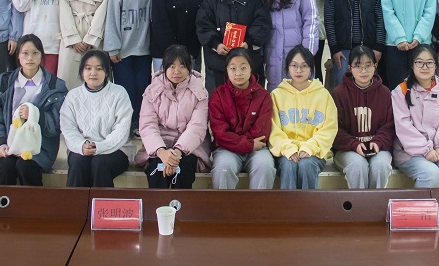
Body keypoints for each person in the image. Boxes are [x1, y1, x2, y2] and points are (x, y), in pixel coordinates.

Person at [0, 34, 68, 186]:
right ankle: (5, 202)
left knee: (25, 166)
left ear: (41, 55)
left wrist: (36, 116)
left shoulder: (55, 86)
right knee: (5, 166)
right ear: (18, 56)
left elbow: (58, 124)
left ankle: (33, 202)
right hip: (9, 144)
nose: (30, 58)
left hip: (39, 147)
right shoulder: (4, 82)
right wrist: (0, 144)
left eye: (35, 53)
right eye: (25, 53)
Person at [135, 45, 211, 189]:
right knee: (158, 170)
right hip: (159, 147)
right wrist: (161, 151)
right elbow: (148, 125)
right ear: (164, 68)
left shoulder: (199, 91)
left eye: (182, 66)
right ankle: (157, 205)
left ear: (189, 68)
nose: (177, 71)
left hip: (190, 148)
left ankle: (181, 205)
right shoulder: (152, 91)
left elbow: (197, 127)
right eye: (172, 66)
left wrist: (177, 152)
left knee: (182, 170)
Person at [104, 0, 157, 134]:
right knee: (125, 90)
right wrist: (112, 47)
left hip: (144, 49)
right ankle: (124, 126)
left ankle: (140, 125)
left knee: (143, 89)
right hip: (122, 49)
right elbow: (112, 16)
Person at [391, 45, 439, 188]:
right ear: (412, 65)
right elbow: (403, 126)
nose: (424, 67)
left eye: (429, 62)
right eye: (419, 62)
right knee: (431, 175)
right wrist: (426, 149)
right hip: (410, 152)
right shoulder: (401, 91)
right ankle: (420, 204)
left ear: (436, 65)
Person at [196, 0, 271, 88]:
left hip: (249, 60)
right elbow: (203, 24)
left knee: (249, 98)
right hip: (221, 62)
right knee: (223, 99)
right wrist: (216, 44)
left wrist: (248, 42)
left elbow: (262, 22)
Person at [60, 50, 133, 188]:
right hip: (81, 148)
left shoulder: (119, 93)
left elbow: (121, 129)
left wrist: (100, 147)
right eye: (88, 68)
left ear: (106, 72)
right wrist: (81, 145)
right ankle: (74, 203)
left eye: (99, 69)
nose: (93, 73)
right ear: (82, 72)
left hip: (116, 149)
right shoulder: (73, 96)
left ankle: (102, 203)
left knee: (99, 163)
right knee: (78, 163)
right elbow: (68, 128)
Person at [269, 45, 337, 190]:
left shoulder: (323, 95)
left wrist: (310, 147)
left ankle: (308, 205)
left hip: (314, 152)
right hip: (286, 151)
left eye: (304, 66)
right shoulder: (276, 95)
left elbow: (329, 129)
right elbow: (273, 130)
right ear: (287, 67)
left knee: (307, 164)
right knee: (289, 165)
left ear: (311, 68)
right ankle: (289, 205)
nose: (298, 70)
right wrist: (288, 149)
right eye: (294, 65)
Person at [209, 49, 275, 189]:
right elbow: (220, 133)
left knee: (265, 166)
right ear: (227, 70)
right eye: (233, 68)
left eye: (243, 68)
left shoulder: (263, 96)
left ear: (251, 68)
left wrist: (248, 144)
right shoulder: (218, 95)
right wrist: (247, 144)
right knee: (223, 168)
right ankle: (222, 205)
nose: (238, 73)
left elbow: (261, 132)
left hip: (257, 148)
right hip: (227, 148)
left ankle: (259, 205)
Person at [331, 45, 395, 189]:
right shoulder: (339, 93)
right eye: (358, 66)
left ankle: (376, 203)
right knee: (357, 166)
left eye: (368, 66)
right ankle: (360, 204)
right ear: (349, 68)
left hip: (378, 148)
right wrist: (353, 144)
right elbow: (334, 129)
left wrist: (378, 142)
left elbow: (390, 127)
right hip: (347, 149)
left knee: (380, 165)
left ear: (375, 66)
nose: (363, 71)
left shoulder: (385, 93)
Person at [256, 0, 318, 89]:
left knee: (300, 91)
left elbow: (311, 18)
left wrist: (306, 53)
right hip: (271, 50)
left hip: (297, 51)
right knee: (275, 92)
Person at [324, 0, 385, 87]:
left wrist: (378, 46)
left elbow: (380, 16)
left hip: (369, 47)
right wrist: (334, 49)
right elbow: (329, 19)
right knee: (342, 88)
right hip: (343, 49)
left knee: (369, 87)